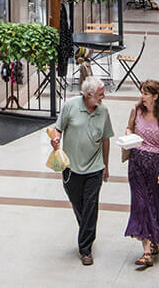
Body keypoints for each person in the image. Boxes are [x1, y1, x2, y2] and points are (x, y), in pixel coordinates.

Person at [50, 76, 113, 266]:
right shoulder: (71, 106)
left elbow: (106, 139)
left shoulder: (103, 112)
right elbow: (58, 128)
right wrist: (55, 139)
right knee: (78, 205)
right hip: (71, 168)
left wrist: (106, 165)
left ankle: (85, 248)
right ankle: (86, 229)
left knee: (91, 206)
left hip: (94, 168)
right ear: (88, 94)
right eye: (100, 95)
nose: (103, 98)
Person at [124, 79, 159, 268]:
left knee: (156, 202)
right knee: (141, 204)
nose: (142, 96)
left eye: (146, 93)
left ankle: (154, 237)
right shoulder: (136, 110)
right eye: (142, 92)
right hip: (137, 162)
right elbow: (129, 127)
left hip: (156, 164)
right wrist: (129, 137)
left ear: (156, 96)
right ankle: (147, 252)